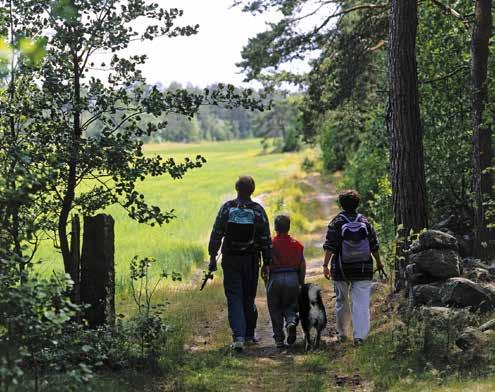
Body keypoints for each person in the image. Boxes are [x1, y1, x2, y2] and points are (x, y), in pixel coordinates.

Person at [208, 176, 272, 352]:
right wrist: (267, 262)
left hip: (231, 260)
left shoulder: (227, 208)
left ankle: (238, 337)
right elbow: (266, 238)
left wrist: (213, 257)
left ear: (236, 188)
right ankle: (250, 335)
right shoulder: (258, 210)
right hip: (251, 259)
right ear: (252, 190)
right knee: (248, 297)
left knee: (234, 297)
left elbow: (216, 234)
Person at [322, 189, 383, 345]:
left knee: (342, 301)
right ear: (357, 204)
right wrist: (379, 262)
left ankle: (343, 334)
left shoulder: (336, 222)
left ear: (341, 205)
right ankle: (359, 337)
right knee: (361, 302)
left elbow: (330, 246)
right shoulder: (365, 222)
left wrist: (325, 265)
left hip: (341, 269)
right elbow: (374, 245)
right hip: (363, 268)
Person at [264, 215, 306, 350]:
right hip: (292, 277)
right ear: (289, 227)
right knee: (291, 305)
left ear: (275, 228)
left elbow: (265, 266)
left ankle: (279, 339)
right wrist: (300, 282)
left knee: (275, 308)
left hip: (275, 278)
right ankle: (291, 321)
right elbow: (302, 265)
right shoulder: (297, 245)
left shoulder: (270, 245)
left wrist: (266, 280)